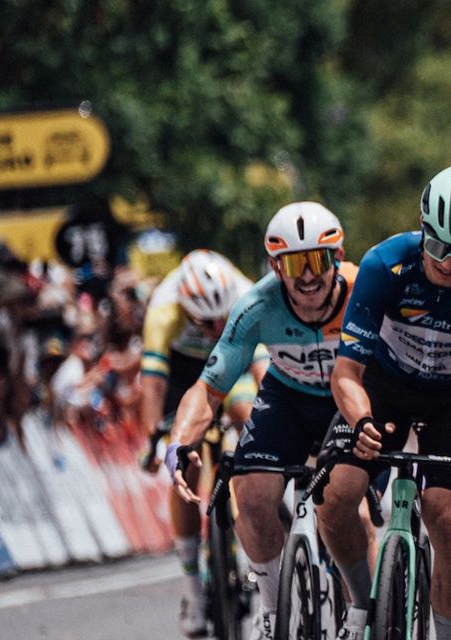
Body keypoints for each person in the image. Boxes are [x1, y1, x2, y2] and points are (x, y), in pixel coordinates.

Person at [320, 164, 451, 640]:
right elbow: (346, 372)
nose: (448, 263)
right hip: (385, 389)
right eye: (438, 246)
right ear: (422, 226)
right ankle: (360, 605)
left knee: (447, 520)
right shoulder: (384, 263)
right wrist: (361, 421)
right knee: (336, 498)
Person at [163, 203, 362, 640]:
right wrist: (178, 444)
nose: (306, 276)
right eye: (293, 264)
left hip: (351, 401)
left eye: (317, 261)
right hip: (288, 398)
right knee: (250, 496)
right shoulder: (256, 305)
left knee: (356, 511)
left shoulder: (362, 292)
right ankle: (272, 614)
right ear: (275, 267)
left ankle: (362, 610)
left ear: (338, 257)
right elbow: (208, 389)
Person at [140, 248, 258, 636]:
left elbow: (264, 366)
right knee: (184, 467)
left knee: (247, 413)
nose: (217, 325)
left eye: (222, 316)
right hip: (183, 371)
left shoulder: (246, 294)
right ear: (186, 309)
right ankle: (193, 591)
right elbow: (153, 382)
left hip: (233, 361)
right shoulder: (163, 309)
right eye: (206, 321)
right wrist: (154, 440)